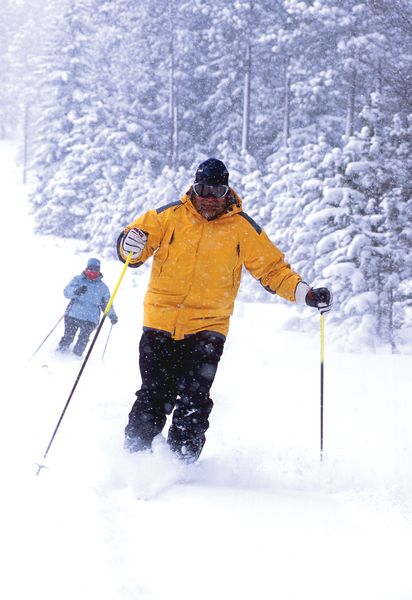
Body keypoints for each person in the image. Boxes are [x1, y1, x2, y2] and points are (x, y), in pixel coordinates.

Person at [117, 158, 332, 462]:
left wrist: (306, 294)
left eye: (216, 190)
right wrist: (130, 245)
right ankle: (134, 458)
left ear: (226, 191)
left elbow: (272, 270)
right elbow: (133, 248)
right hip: (161, 321)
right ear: (193, 187)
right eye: (202, 188)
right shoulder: (167, 216)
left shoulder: (242, 228)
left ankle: (180, 463)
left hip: (208, 326)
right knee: (154, 393)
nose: (208, 197)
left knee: (195, 398)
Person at [57, 257, 118, 357]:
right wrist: (76, 291)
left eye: (96, 269)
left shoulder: (103, 287)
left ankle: (76, 358)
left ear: (99, 270)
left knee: (83, 340)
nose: (93, 271)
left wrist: (112, 315)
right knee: (68, 336)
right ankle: (59, 354)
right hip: (74, 314)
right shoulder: (78, 280)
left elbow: (107, 304)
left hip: (91, 318)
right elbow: (66, 292)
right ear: (86, 268)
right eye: (91, 268)